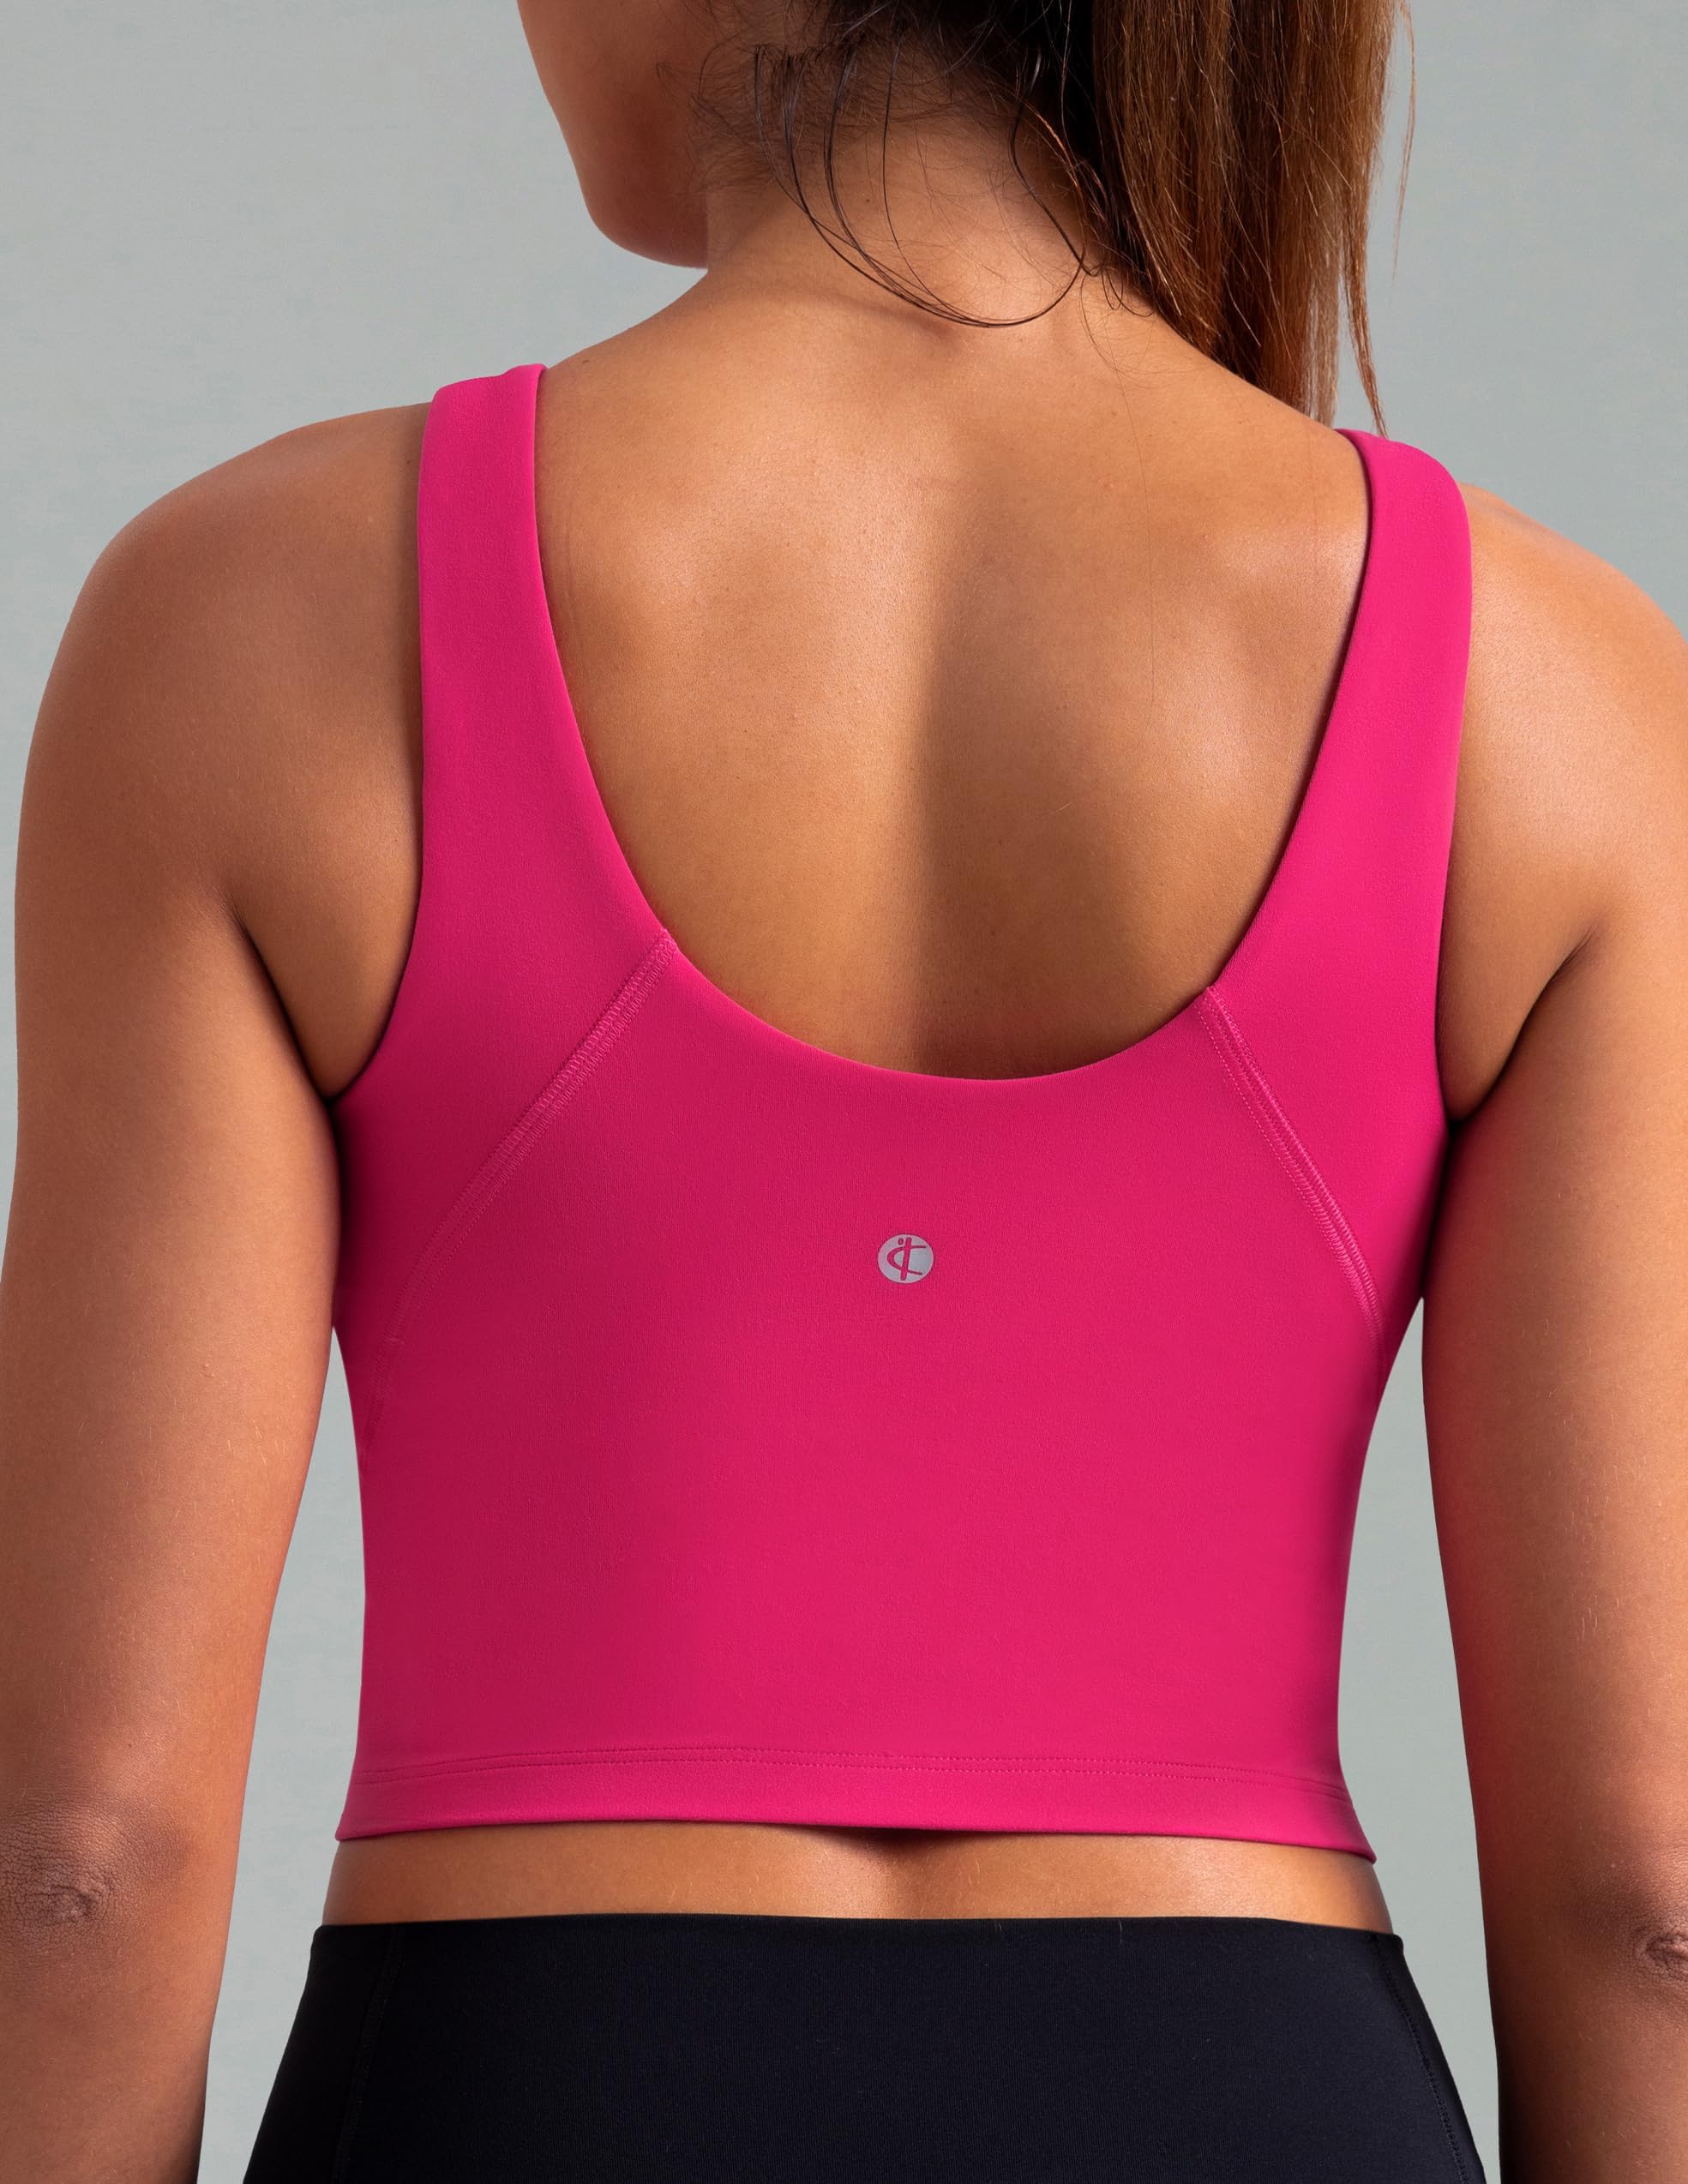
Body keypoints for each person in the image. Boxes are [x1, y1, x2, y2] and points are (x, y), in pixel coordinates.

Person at [3, 0, 1686, 2176]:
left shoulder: (253, 620)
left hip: (523, 2091)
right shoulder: (1559, 695)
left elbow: (82, 1852)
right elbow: (1649, 1899)